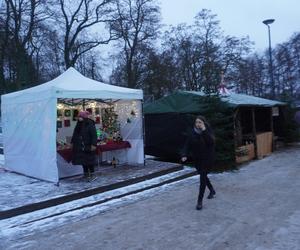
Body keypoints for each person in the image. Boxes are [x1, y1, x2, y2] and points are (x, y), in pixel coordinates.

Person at [181, 115, 216, 210]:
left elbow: (211, 142)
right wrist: (184, 154)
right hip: (197, 159)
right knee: (203, 176)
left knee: (202, 179)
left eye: (200, 122)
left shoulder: (208, 131)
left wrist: (204, 130)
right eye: (197, 122)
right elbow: (187, 145)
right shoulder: (192, 133)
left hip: (207, 159)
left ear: (204, 123)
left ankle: (199, 201)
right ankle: (212, 190)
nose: (198, 124)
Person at [71, 111, 98, 181]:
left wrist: (94, 144)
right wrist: (72, 142)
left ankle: (92, 174)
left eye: (80, 117)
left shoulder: (89, 123)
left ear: (83, 117)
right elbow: (75, 134)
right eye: (78, 117)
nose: (78, 118)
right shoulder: (79, 124)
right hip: (80, 146)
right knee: (83, 161)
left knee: (90, 161)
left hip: (88, 145)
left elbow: (94, 135)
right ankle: (85, 174)